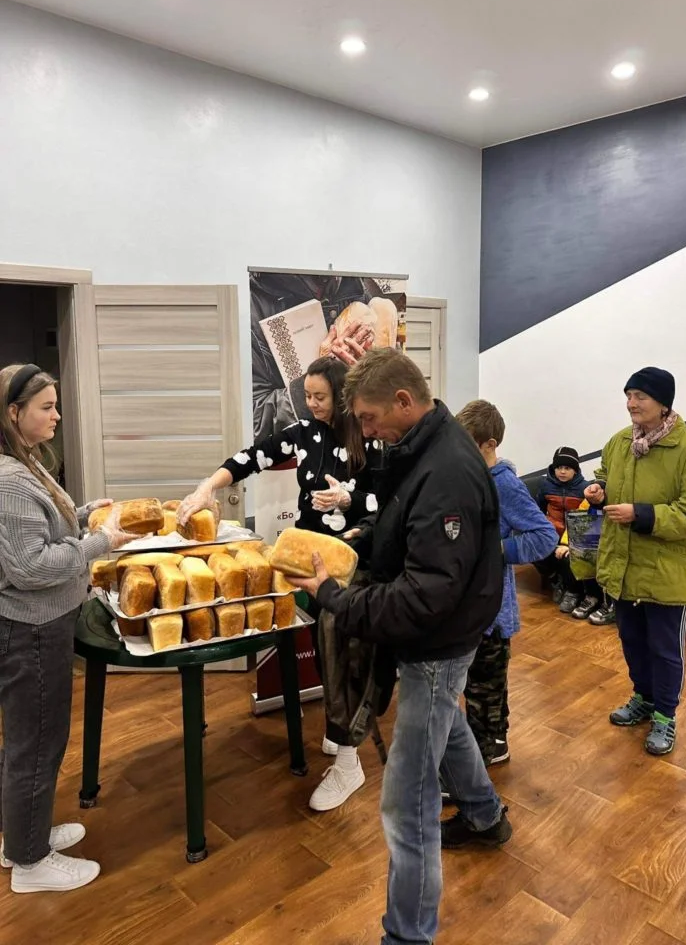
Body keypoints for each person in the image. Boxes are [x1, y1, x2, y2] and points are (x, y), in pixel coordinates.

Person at [290, 349, 511, 945]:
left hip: (438, 643)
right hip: (442, 637)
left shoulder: (446, 472)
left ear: (404, 403)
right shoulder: (420, 449)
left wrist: (337, 599)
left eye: (365, 418)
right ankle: (486, 816)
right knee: (446, 723)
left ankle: (407, 936)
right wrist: (368, 536)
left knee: (406, 803)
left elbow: (423, 598)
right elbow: (407, 529)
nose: (362, 431)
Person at [178, 355, 383, 810]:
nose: (311, 405)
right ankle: (339, 733)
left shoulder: (370, 436)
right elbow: (253, 457)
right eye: (306, 396)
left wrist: (351, 498)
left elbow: (389, 499)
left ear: (342, 395)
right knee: (324, 646)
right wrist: (208, 487)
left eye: (320, 397)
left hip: (352, 561)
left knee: (342, 652)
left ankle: (349, 761)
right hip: (308, 557)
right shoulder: (305, 433)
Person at [0, 363, 137, 894]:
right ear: (14, 414)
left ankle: (24, 837)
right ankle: (30, 865)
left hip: (41, 625)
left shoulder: (26, 461)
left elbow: (41, 531)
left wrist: (83, 515)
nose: (57, 415)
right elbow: (30, 567)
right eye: (46, 407)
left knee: (35, 740)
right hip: (31, 629)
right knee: (36, 743)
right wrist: (101, 543)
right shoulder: (10, 480)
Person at [584, 367, 686, 756]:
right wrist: (598, 490)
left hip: (667, 573)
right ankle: (643, 698)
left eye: (640, 396)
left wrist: (641, 515)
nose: (631, 403)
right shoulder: (620, 442)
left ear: (663, 404)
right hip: (625, 568)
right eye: (628, 395)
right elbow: (608, 477)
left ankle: (665, 717)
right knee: (632, 641)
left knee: (664, 648)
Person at [455, 400, 557, 765]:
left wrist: (496, 550)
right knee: (478, 686)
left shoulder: (506, 486)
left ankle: (487, 753)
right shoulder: (470, 477)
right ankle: (489, 743)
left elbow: (544, 537)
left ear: (490, 444)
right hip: (471, 608)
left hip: (494, 613)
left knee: (486, 688)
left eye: (469, 444)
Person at [249, 271, 395, 441]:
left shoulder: (361, 290)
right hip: (298, 458)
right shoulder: (251, 303)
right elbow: (254, 424)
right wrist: (322, 380)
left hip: (355, 451)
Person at [534, 446, 592, 614]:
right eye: (559, 467)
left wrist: (569, 541)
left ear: (575, 470)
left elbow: (587, 519)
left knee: (568, 558)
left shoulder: (585, 488)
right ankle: (555, 580)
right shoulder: (546, 486)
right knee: (532, 548)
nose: (562, 471)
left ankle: (572, 591)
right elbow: (538, 510)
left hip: (574, 536)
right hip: (551, 533)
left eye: (567, 468)